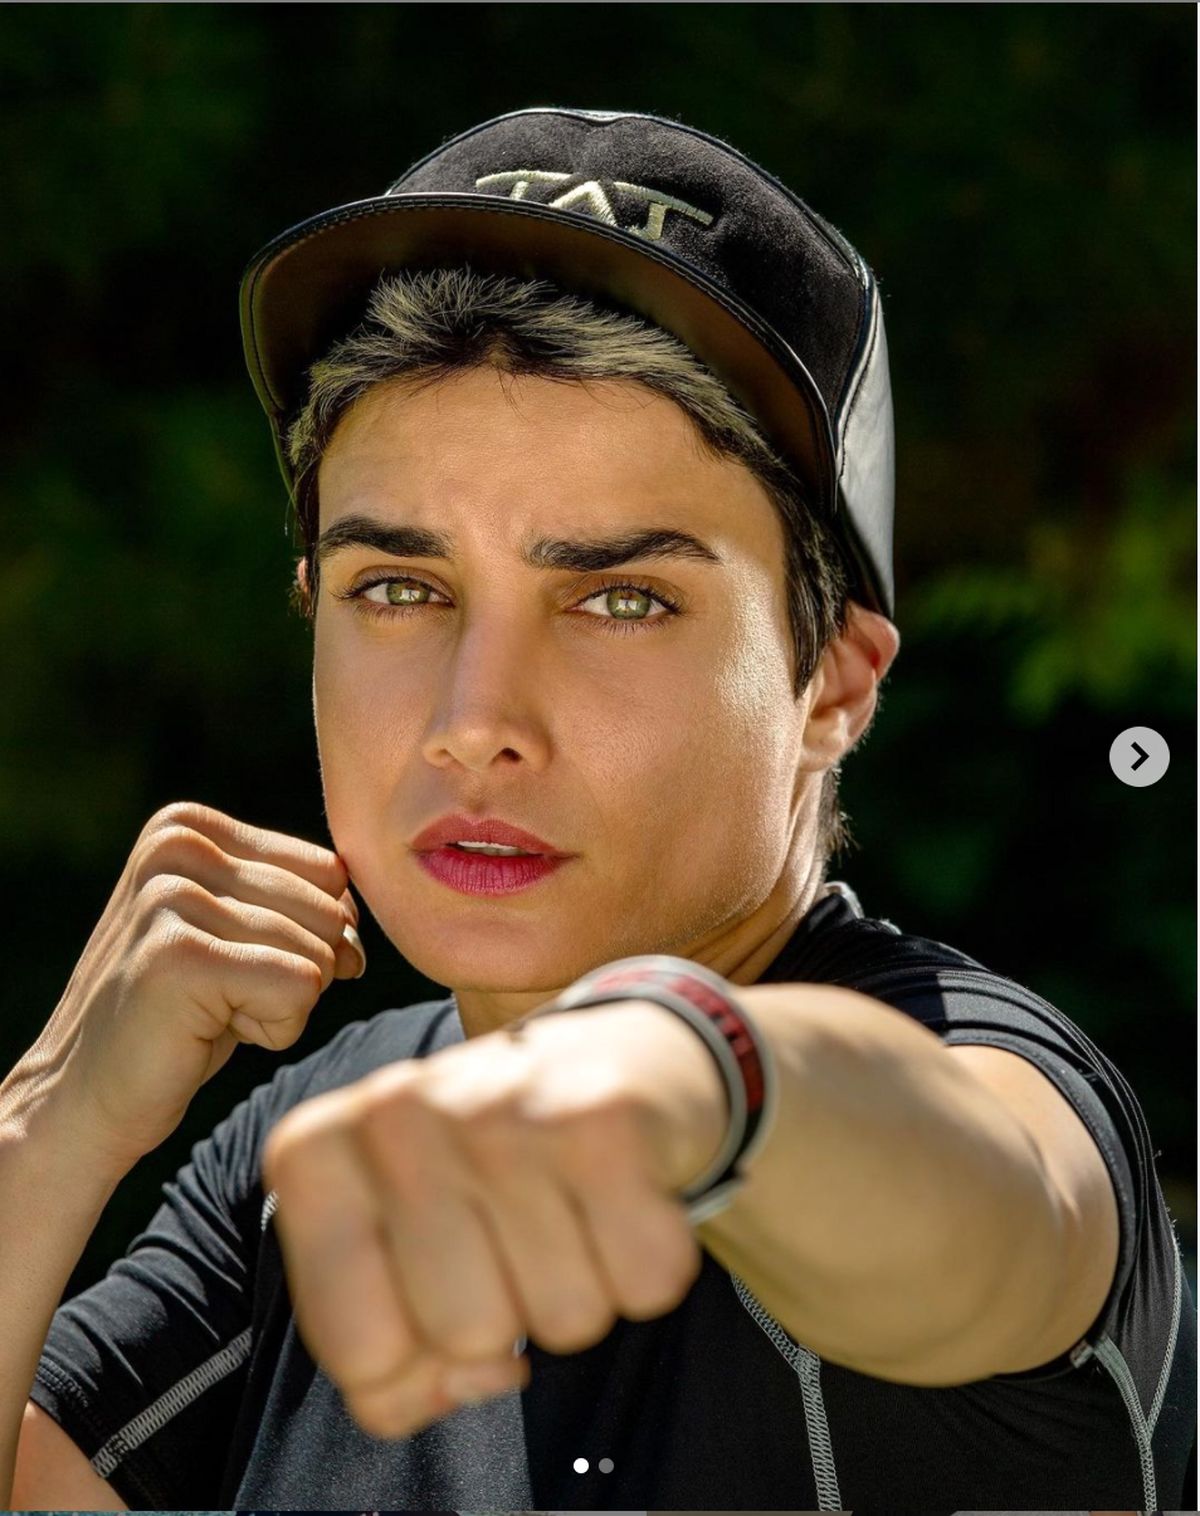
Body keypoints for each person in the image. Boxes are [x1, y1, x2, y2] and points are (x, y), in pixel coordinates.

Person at [2, 107, 1192, 1515]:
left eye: (621, 599)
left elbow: (1003, 1209)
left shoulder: (974, 1075)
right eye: (401, 587)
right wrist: (48, 1128)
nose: (476, 720)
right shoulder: (313, 1143)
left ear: (832, 686)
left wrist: (689, 1077)